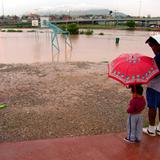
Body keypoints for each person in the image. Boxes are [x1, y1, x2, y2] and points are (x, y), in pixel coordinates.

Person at [143, 34, 160, 136]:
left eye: (152, 46)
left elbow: (153, 74)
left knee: (152, 107)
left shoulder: (158, 58)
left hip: (154, 87)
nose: (152, 49)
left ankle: (151, 129)